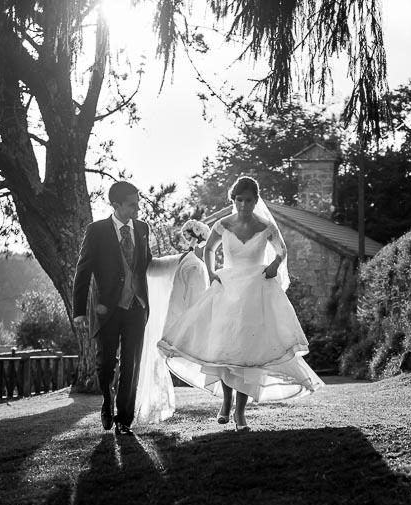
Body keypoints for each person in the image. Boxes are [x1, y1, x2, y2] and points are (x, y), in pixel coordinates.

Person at [158, 176, 323, 431]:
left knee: (247, 352)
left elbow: (282, 251)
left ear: (255, 200)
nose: (243, 205)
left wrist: (274, 265)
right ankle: (225, 402)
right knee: (226, 350)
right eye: (239, 200)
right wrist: (212, 273)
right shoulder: (223, 224)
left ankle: (240, 412)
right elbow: (209, 249)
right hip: (228, 289)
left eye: (248, 200)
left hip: (256, 290)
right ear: (233, 200)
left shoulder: (266, 226)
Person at [72, 181, 152, 436]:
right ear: (116, 205)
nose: (138, 208)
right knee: (106, 363)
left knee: (132, 363)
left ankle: (124, 420)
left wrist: (180, 263)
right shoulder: (96, 231)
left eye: (138, 203)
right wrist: (79, 311)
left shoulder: (142, 229)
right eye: (132, 204)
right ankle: (107, 400)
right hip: (106, 308)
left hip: (136, 307)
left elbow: (147, 263)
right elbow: (83, 270)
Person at [133, 219, 210, 424]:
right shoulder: (191, 262)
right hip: (177, 320)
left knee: (158, 356)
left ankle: (154, 404)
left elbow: (196, 299)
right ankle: (152, 404)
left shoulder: (191, 263)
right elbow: (155, 266)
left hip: (177, 320)